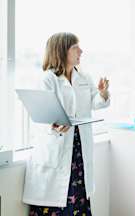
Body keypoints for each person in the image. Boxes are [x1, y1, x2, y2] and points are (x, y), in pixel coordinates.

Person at [22, 32, 110, 215]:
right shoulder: (47, 79)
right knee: (55, 202)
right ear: (62, 51)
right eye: (75, 47)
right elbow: (39, 114)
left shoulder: (84, 77)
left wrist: (102, 93)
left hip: (78, 149)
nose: (81, 51)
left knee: (77, 201)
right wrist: (53, 125)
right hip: (57, 146)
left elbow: (96, 103)